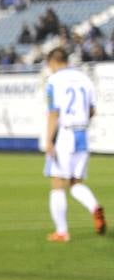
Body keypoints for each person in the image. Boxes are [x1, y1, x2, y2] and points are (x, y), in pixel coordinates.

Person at [41, 48, 105, 241]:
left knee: (57, 182)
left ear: (53, 62)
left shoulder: (53, 81)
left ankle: (61, 231)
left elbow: (54, 113)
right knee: (76, 182)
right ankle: (94, 206)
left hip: (65, 135)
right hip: (82, 134)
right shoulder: (85, 79)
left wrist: (49, 140)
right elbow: (92, 110)